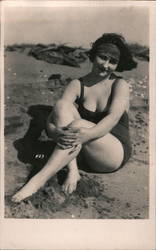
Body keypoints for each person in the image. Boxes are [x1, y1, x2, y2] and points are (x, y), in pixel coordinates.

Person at [12, 33, 137, 202]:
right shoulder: (78, 84)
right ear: (94, 57)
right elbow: (53, 117)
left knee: (78, 124)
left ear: (117, 64)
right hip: (83, 149)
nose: (106, 65)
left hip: (112, 153)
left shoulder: (120, 85)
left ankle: (37, 180)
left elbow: (113, 118)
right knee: (61, 106)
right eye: (103, 57)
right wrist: (55, 132)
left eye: (112, 61)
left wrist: (87, 134)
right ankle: (73, 170)